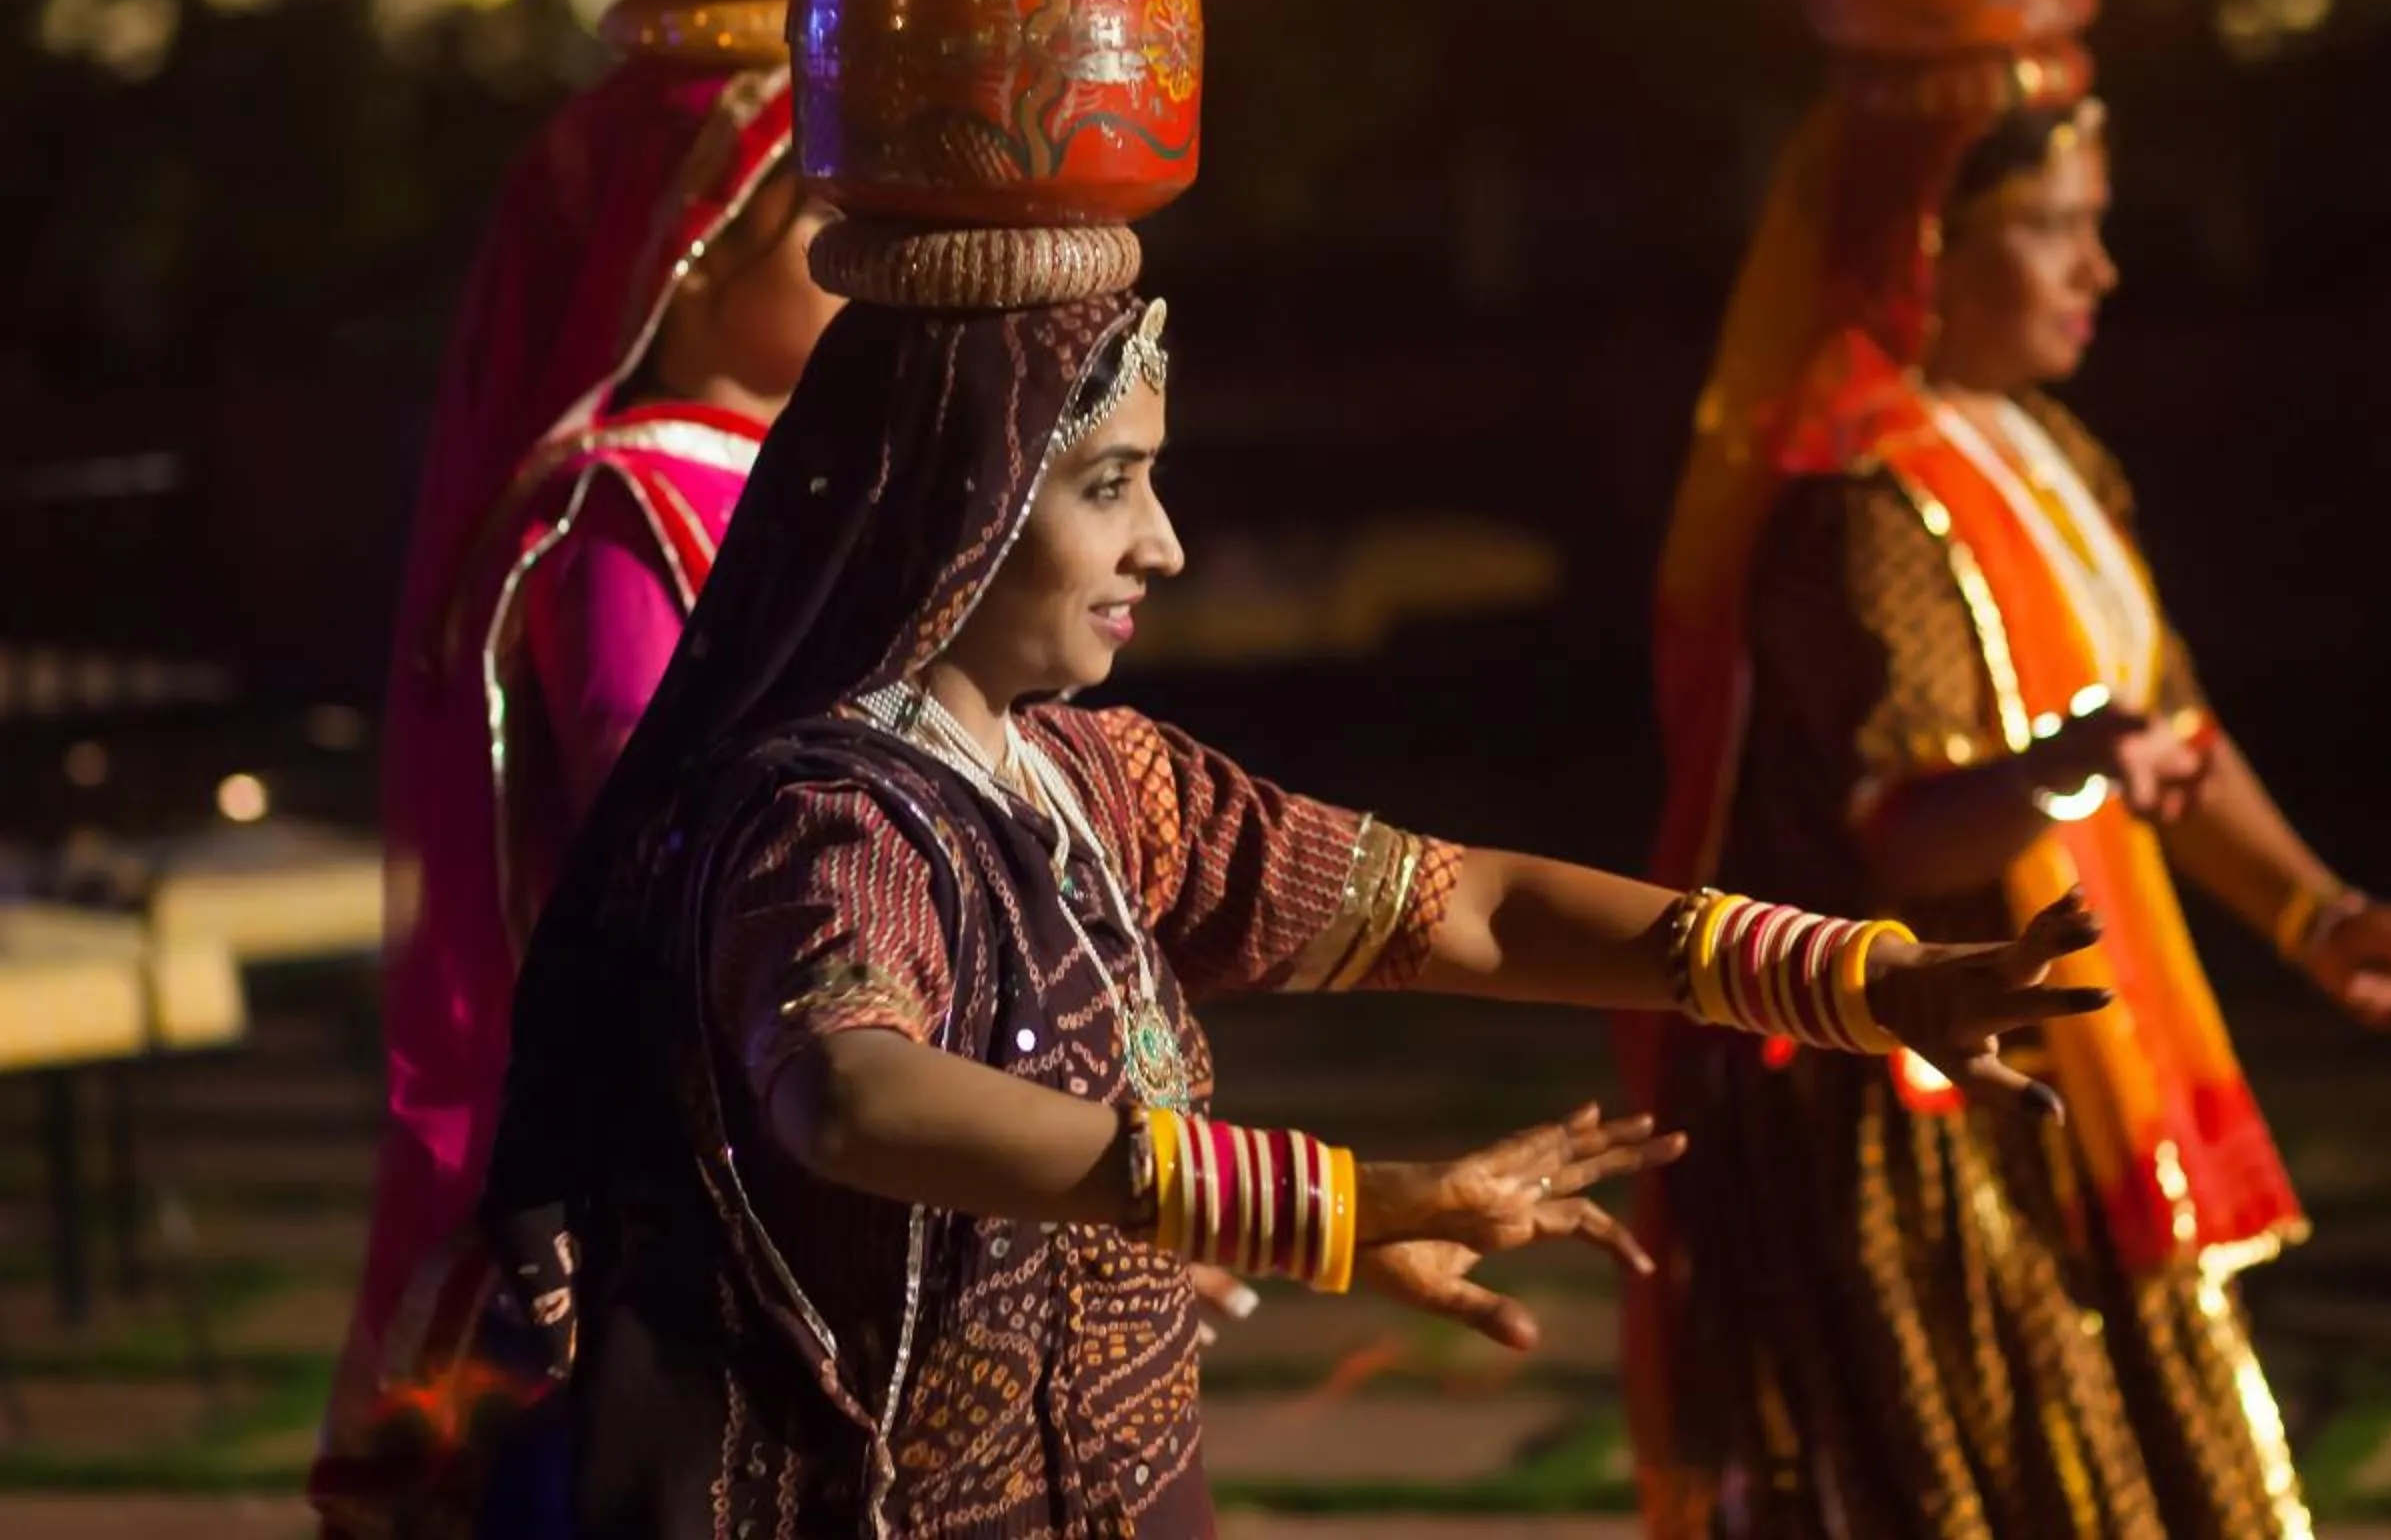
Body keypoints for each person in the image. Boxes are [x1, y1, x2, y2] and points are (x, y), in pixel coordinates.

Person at [480, 234, 2119, 1538]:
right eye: (1111, 484)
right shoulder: (832, 817)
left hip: (1117, 1483)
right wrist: (1330, 1205)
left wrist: (1845, 976)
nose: (1166, 544)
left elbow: (1460, 906)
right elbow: (849, 1094)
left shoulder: (1104, 783)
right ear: (953, 502)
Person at [1627, 94, 2391, 1539]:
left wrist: (2316, 915)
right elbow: (1889, 838)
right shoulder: (1864, 510)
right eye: (2058, 229)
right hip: (1940, 1109)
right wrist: (2064, 770)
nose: (2103, 269)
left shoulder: (2054, 461)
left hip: (2093, 1064)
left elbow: (2175, 732)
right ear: (1927, 254)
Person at [315, 61, 842, 1537]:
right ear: (687, 255)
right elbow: (638, 776)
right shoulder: (618, 496)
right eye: (820, 209)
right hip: (679, 1058)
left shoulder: (817, 480)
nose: (870, 239)